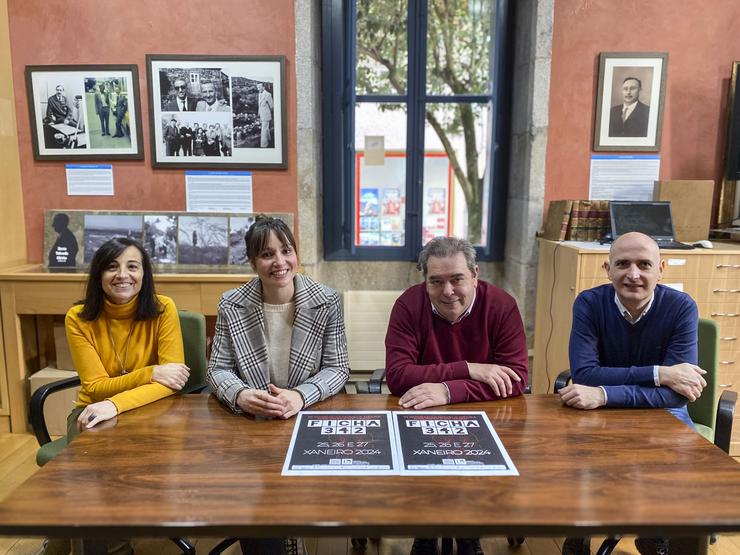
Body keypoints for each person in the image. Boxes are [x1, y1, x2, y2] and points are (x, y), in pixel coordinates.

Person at [207, 215, 349, 555]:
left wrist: (300, 396)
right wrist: (241, 395)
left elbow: (338, 368)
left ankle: (289, 531)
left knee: (299, 497)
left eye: (286, 250)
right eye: (267, 254)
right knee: (252, 506)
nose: (280, 262)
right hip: (251, 423)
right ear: (252, 261)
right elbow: (216, 370)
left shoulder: (327, 300)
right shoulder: (232, 303)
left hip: (306, 417)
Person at [559, 232, 706, 555]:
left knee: (683, 467)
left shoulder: (681, 307)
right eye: (623, 264)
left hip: (657, 412)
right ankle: (579, 531)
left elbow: (677, 396)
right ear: (607, 268)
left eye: (644, 264)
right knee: (569, 458)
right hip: (599, 413)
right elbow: (584, 374)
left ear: (661, 269)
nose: (633, 274)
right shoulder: (589, 303)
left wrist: (605, 393)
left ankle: (657, 530)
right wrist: (660, 374)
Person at [385, 236, 528, 555]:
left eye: (457, 279)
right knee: (423, 466)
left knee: (476, 467)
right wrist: (470, 368)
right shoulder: (409, 305)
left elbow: (515, 378)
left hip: (486, 417)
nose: (448, 291)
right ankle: (425, 532)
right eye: (436, 281)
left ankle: (469, 532)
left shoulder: (502, 305)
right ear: (425, 281)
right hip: (421, 415)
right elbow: (397, 376)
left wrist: (448, 390)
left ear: (475, 274)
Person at [257, 82, 274, 148]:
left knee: (264, 129)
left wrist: (268, 112)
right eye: (257, 87)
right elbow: (259, 105)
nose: (258, 89)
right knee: (265, 128)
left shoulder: (268, 94)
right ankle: (269, 139)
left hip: (266, 114)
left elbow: (271, 106)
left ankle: (264, 144)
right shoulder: (259, 94)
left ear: (263, 87)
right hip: (261, 114)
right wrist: (259, 113)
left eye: (259, 87)